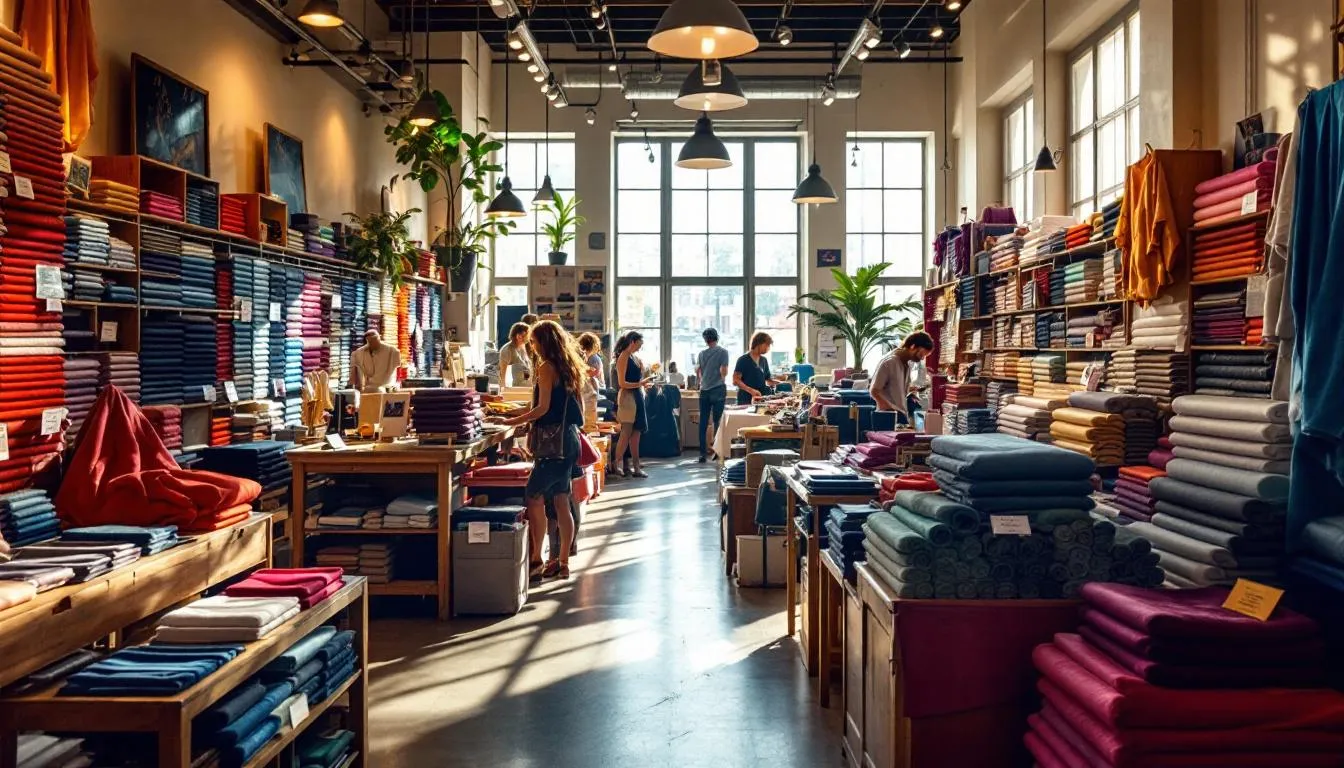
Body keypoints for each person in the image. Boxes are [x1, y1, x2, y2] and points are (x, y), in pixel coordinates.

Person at [499, 320, 584, 582]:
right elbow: (570, 406)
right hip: (569, 440)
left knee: (533, 496)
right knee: (561, 500)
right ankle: (562, 562)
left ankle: (536, 558)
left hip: (552, 443)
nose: (532, 347)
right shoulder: (570, 367)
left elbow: (544, 408)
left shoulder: (547, 368)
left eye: (534, 342)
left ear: (543, 342)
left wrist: (513, 421)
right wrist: (521, 411)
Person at [612, 330, 654, 478]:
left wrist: (642, 385)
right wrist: (640, 383)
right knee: (626, 432)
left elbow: (636, 380)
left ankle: (636, 467)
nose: (639, 348)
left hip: (637, 395)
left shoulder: (634, 357)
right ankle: (616, 463)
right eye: (638, 345)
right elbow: (622, 383)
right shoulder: (623, 357)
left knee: (636, 433)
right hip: (628, 398)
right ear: (632, 342)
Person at [871, 331, 936, 424]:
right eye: (921, 354)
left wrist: (910, 392)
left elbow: (895, 387)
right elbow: (874, 391)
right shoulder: (890, 362)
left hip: (901, 415)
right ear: (912, 346)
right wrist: (891, 410)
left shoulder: (906, 363)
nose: (921, 358)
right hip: (888, 417)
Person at [695, 327, 730, 462]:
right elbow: (724, 370)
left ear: (706, 340)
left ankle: (702, 454)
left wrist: (702, 382)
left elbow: (699, 372)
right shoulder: (723, 352)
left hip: (704, 390)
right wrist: (722, 378)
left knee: (703, 422)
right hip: (718, 389)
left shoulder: (701, 354)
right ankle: (716, 452)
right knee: (717, 421)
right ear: (717, 337)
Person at [733, 332, 778, 405]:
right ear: (759, 343)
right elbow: (735, 380)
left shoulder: (764, 360)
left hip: (760, 399)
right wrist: (751, 390)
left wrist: (783, 383)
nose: (768, 348)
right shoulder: (743, 360)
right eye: (767, 345)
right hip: (745, 400)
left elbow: (768, 380)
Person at [576, 332, 604, 429]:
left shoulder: (590, 356)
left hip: (587, 388)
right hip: (586, 389)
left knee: (587, 418)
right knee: (587, 419)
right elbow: (594, 372)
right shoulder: (591, 357)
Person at [497, 322, 533, 387]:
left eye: (524, 335)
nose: (521, 337)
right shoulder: (507, 349)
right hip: (514, 388)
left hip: (526, 387)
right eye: (520, 335)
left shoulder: (523, 346)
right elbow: (502, 373)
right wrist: (504, 389)